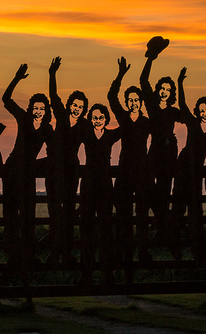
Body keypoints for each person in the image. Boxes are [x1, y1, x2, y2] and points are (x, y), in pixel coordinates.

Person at [2, 63, 53, 267]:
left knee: (28, 215)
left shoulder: (47, 129)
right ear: (31, 108)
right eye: (35, 107)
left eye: (42, 108)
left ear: (46, 110)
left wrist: (41, 163)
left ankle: (29, 255)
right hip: (13, 169)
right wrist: (16, 78)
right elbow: (6, 100)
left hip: (28, 172)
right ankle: (13, 256)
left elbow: (53, 152)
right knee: (10, 214)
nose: (38, 111)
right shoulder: (23, 118)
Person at [108, 56, 152, 282]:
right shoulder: (124, 119)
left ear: (141, 102)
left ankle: (142, 255)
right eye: (130, 100)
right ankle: (123, 261)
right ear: (127, 102)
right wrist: (121, 74)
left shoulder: (147, 122)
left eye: (137, 100)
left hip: (141, 174)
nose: (134, 103)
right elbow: (110, 97)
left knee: (142, 218)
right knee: (123, 220)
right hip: (125, 173)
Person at [47, 56, 88, 265]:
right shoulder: (62, 116)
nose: (76, 108)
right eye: (74, 104)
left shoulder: (84, 126)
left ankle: (68, 252)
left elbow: (94, 144)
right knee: (55, 212)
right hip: (55, 170)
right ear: (70, 104)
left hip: (72, 171)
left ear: (84, 109)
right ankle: (55, 253)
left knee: (70, 214)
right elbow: (53, 96)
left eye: (80, 106)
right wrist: (52, 74)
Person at [139, 36, 180, 244]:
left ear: (171, 93)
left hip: (169, 151)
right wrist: (151, 59)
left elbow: (191, 120)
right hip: (155, 150)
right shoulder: (152, 106)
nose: (164, 92)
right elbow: (143, 81)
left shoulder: (173, 111)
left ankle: (162, 230)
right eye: (162, 89)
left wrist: (180, 85)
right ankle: (161, 224)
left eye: (168, 90)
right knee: (148, 186)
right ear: (158, 91)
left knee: (165, 190)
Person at [171, 67, 206, 261]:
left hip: (196, 172)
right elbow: (182, 104)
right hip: (183, 168)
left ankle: (197, 251)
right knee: (179, 208)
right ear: (197, 112)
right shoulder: (192, 122)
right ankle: (176, 249)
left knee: (195, 212)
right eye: (201, 110)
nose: (204, 112)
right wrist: (180, 83)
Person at [80, 103, 120, 286]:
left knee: (106, 232)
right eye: (94, 117)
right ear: (90, 119)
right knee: (86, 232)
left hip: (104, 186)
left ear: (106, 119)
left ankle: (107, 274)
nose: (97, 120)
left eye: (101, 117)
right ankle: (86, 274)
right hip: (88, 186)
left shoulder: (111, 135)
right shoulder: (86, 135)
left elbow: (126, 126)